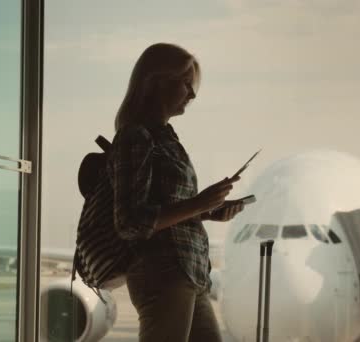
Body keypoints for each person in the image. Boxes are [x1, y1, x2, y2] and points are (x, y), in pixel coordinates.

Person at [109, 43, 244, 342]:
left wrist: (207, 211)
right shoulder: (136, 136)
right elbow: (130, 222)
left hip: (188, 271)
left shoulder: (164, 138)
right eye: (186, 84)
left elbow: (163, 211)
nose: (193, 94)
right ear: (157, 82)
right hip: (164, 272)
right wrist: (199, 203)